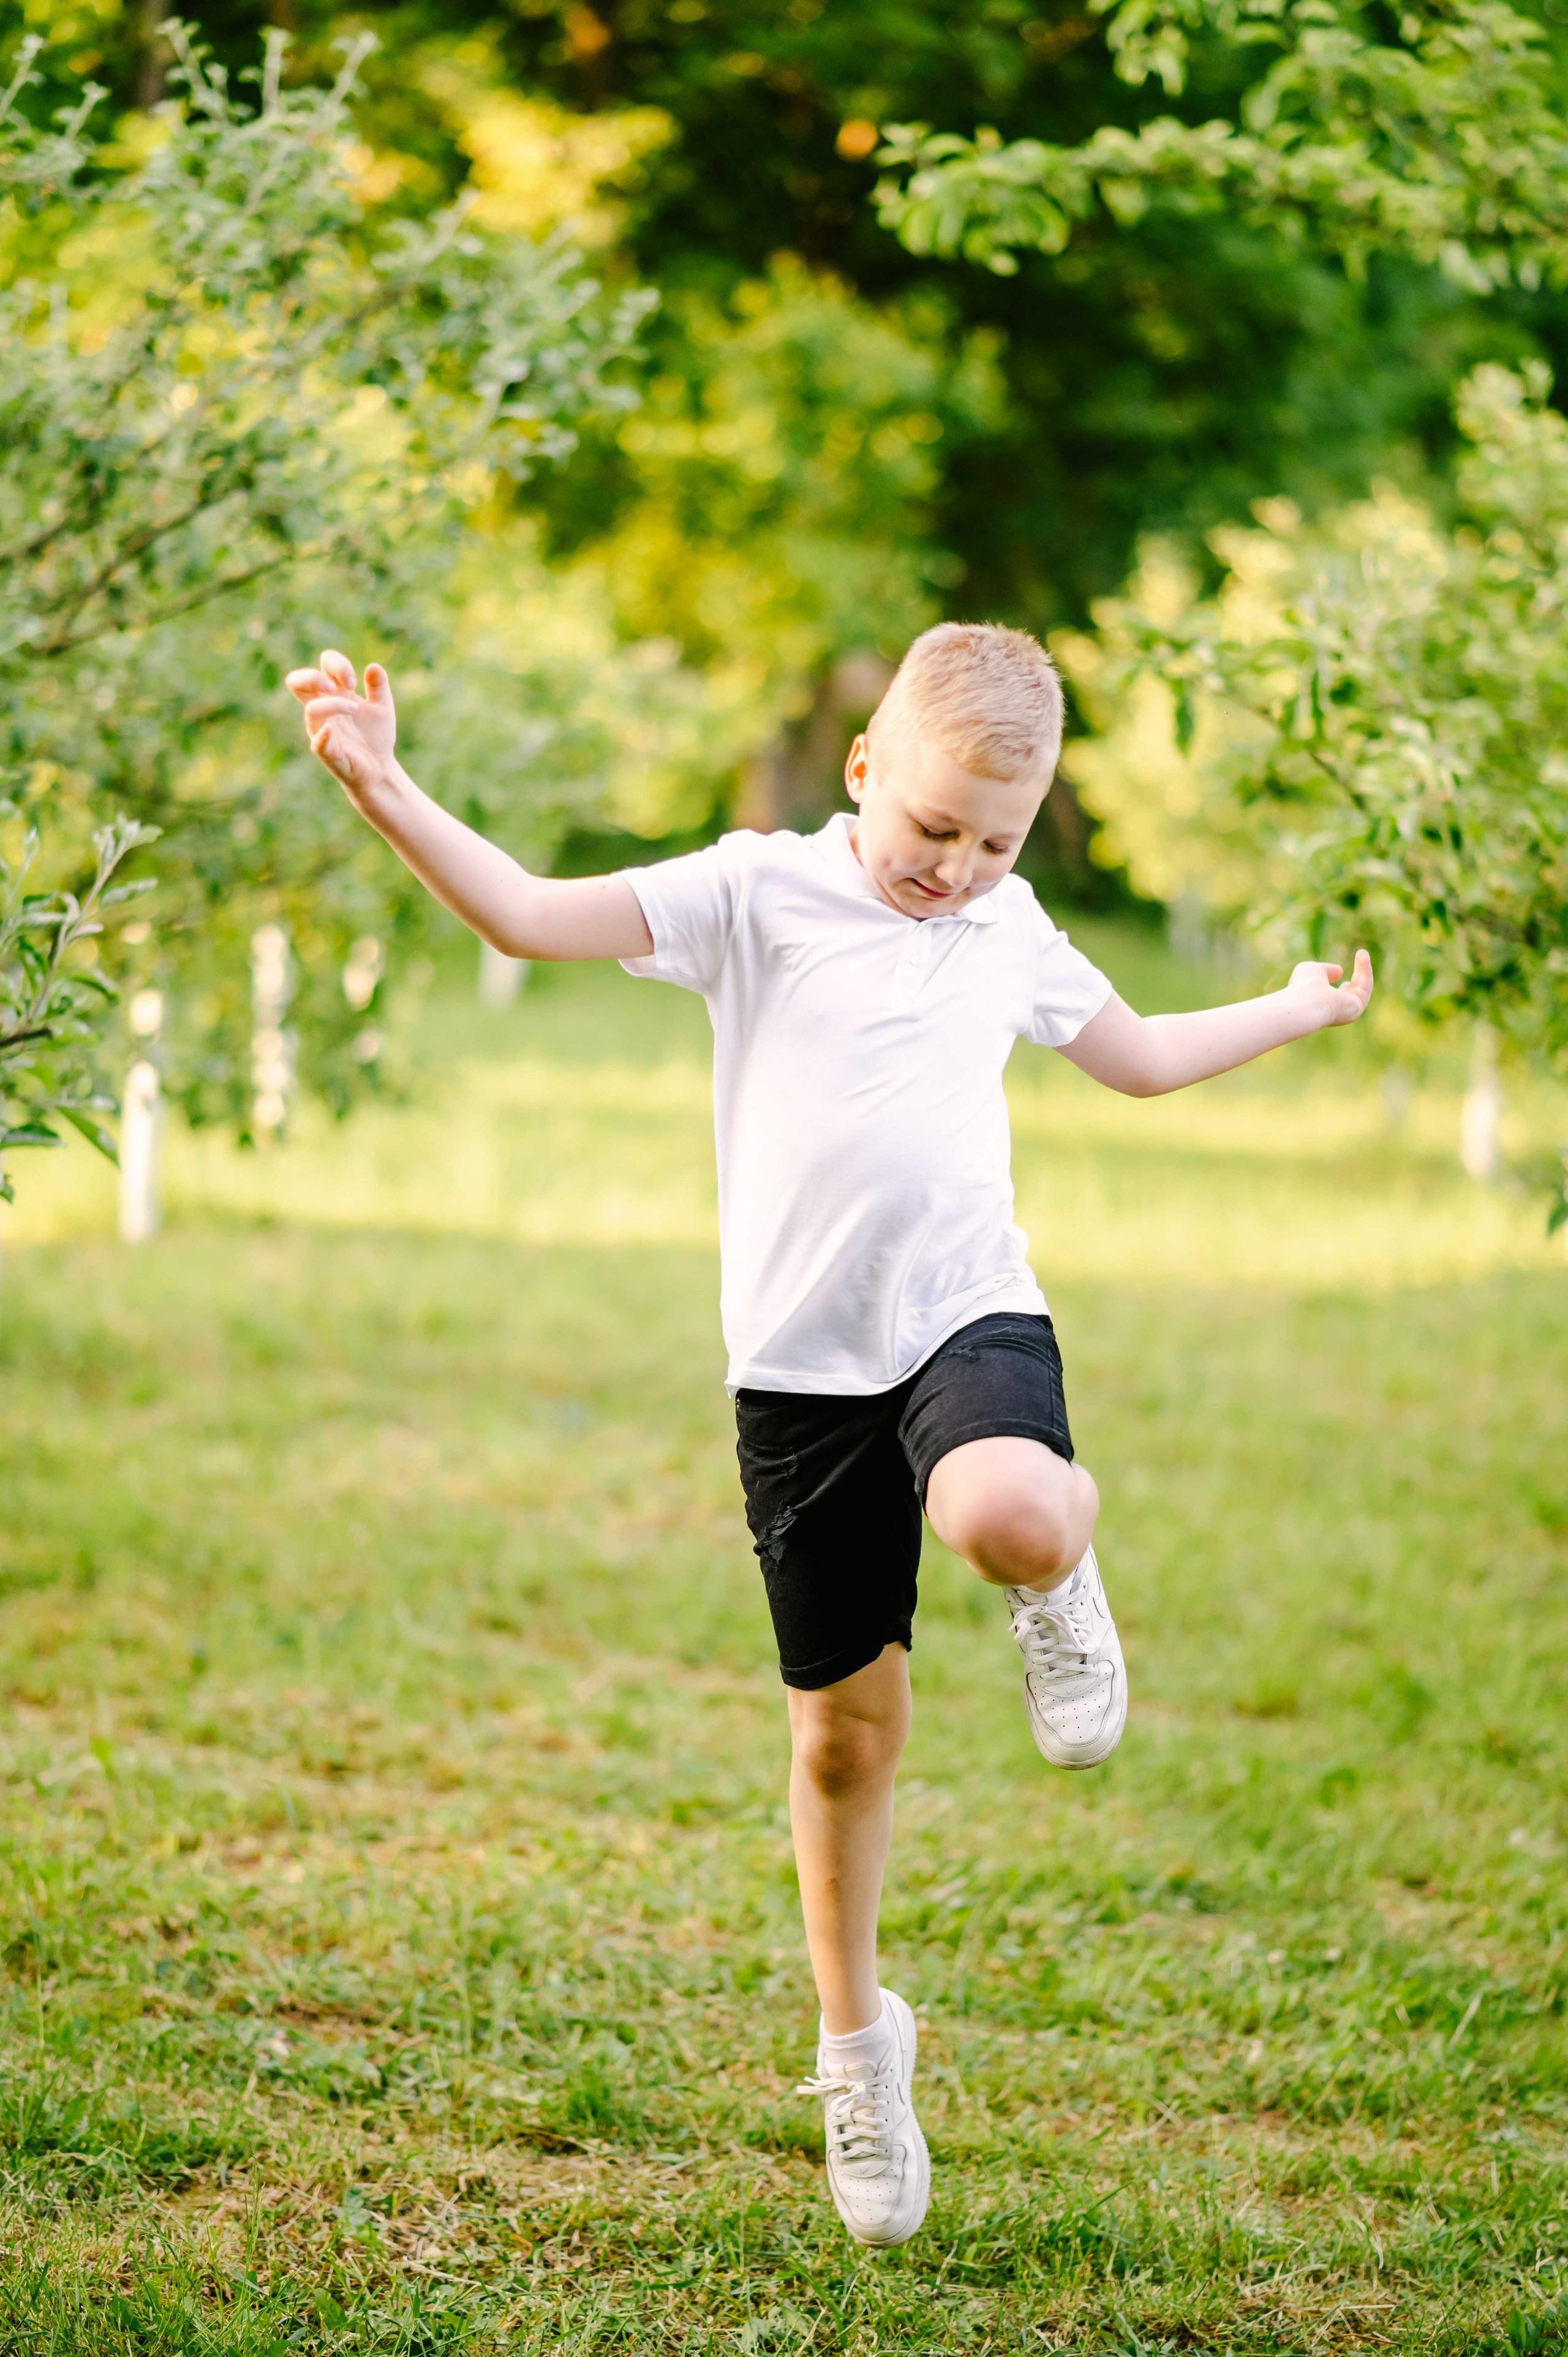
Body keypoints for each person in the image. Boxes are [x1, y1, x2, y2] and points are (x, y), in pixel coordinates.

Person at [287, 624, 1372, 2249]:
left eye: (996, 841)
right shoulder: (754, 892)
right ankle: (860, 2041)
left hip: (963, 1313)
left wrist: (1289, 1010)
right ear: (865, 772)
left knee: (1007, 1510)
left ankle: (1061, 1578)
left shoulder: (1007, 926)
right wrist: (385, 787)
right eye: (933, 828)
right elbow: (524, 910)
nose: (957, 866)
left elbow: (1135, 1059)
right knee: (841, 1741)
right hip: (798, 1380)